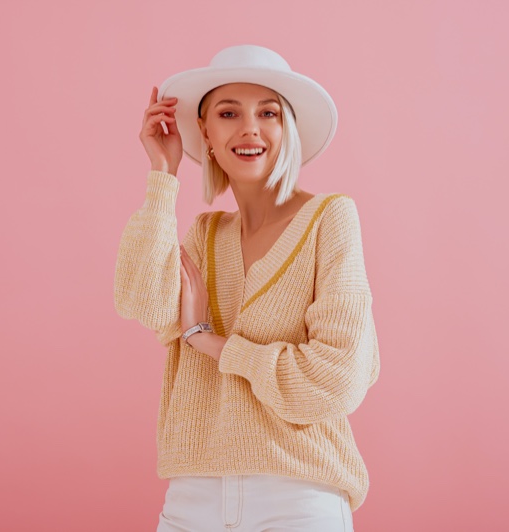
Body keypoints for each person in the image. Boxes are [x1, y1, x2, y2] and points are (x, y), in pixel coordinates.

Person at [114, 44, 380, 531]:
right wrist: (162, 174)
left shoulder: (330, 220)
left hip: (296, 496)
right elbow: (141, 301)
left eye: (269, 112)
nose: (250, 128)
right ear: (207, 135)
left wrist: (210, 342)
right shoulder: (206, 235)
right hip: (192, 497)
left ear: (287, 131)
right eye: (229, 112)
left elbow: (334, 378)